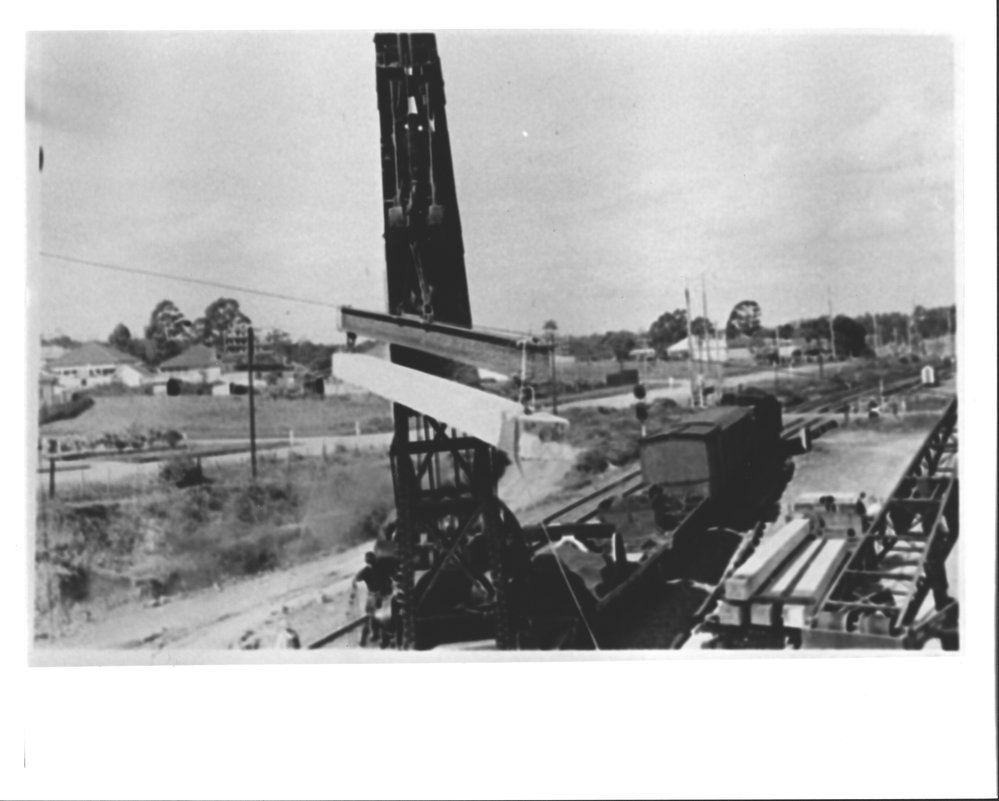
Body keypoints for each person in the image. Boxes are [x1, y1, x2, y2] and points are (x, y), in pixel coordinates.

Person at [353, 552, 395, 647]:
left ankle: (382, 638)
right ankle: (377, 636)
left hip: (381, 595)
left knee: (381, 617)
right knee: (375, 617)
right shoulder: (370, 570)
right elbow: (357, 578)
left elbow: (357, 578)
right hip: (377, 596)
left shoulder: (375, 569)